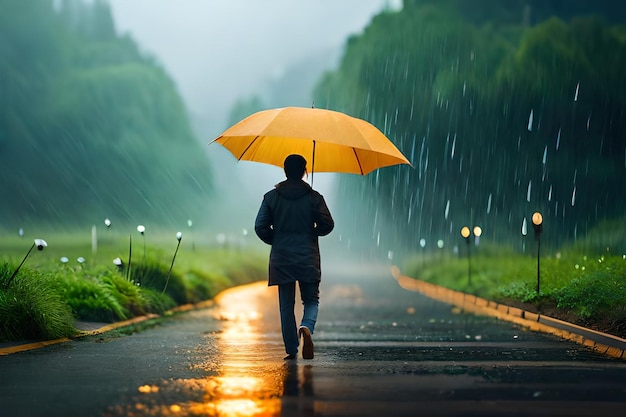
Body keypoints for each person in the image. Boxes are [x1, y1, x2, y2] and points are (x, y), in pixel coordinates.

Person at [255, 154, 334, 360]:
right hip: (307, 255)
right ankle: (306, 326)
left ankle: (291, 349)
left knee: (286, 305)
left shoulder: (271, 197)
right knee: (311, 300)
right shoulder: (314, 197)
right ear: (304, 171)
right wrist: (314, 230)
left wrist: (277, 239)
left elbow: (260, 226)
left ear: (285, 170)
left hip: (282, 258)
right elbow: (328, 225)